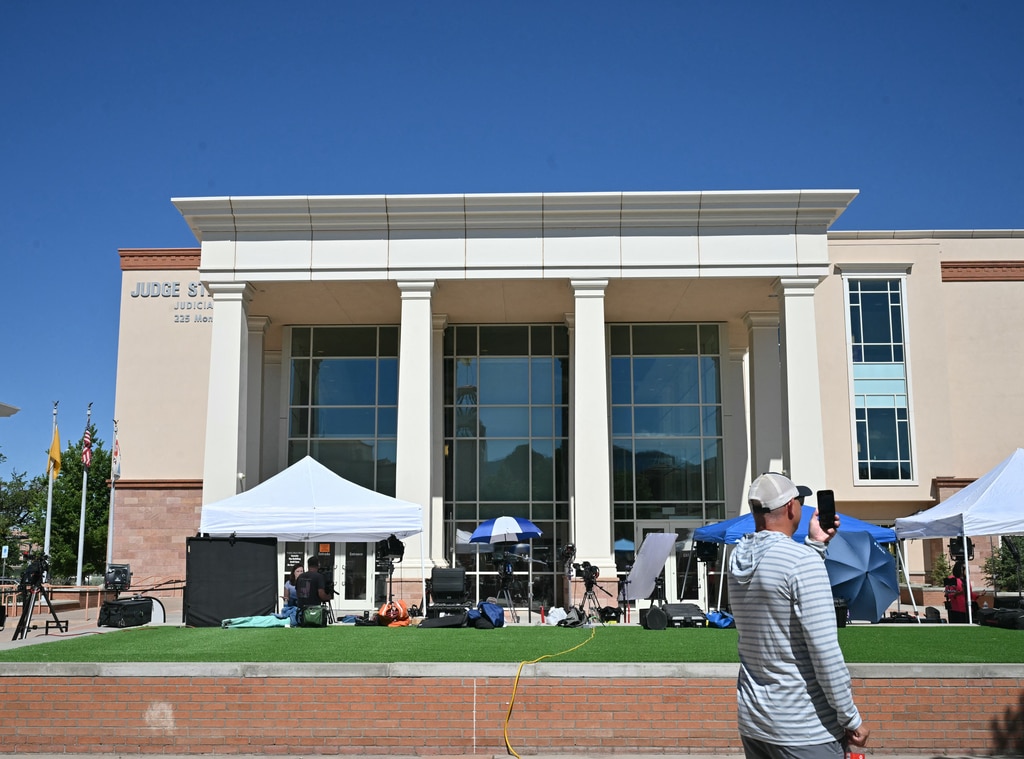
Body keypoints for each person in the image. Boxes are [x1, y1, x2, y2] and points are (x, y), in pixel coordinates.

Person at [728, 472, 870, 758]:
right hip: (804, 728)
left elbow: (779, 579)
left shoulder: (737, 558)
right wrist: (850, 718)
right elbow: (824, 651)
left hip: (756, 723)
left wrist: (816, 544)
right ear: (792, 507)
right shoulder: (800, 562)